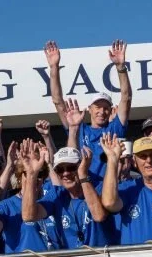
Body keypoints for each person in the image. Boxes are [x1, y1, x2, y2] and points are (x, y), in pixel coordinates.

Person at [45, 39, 131, 182]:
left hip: (109, 188)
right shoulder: (79, 128)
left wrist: (120, 67)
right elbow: (58, 101)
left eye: (106, 108)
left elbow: (126, 98)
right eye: (97, 107)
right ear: (89, 109)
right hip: (84, 187)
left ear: (110, 111)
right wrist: (54, 67)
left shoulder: (115, 128)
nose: (102, 111)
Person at [0, 140, 66, 253]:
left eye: (40, 174)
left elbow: (59, 189)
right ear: (19, 177)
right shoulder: (8, 205)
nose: (35, 177)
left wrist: (48, 163)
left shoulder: (50, 199)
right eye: (28, 173)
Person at [48, 146, 114, 248]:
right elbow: (29, 216)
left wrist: (83, 174)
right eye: (60, 169)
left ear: (81, 166)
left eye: (71, 168)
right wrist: (31, 173)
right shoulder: (57, 193)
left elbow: (99, 216)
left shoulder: (100, 186)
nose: (65, 173)